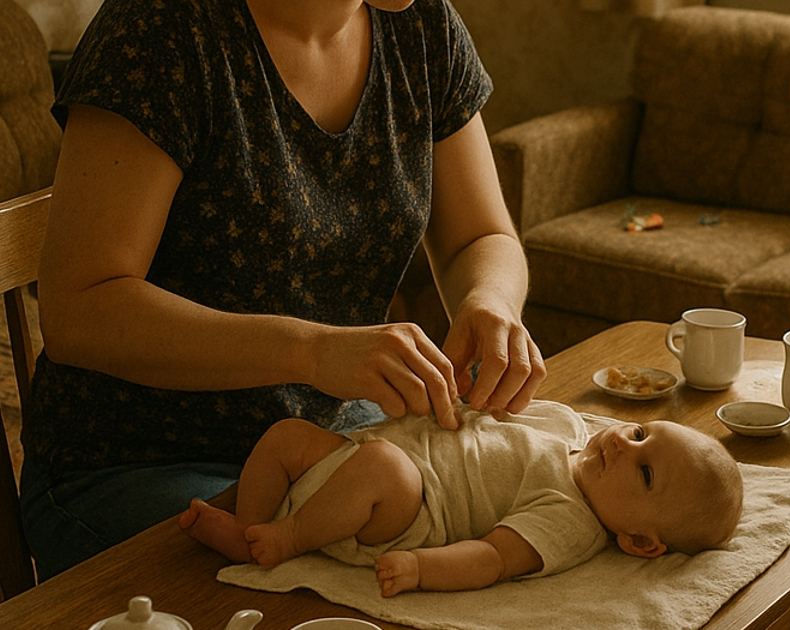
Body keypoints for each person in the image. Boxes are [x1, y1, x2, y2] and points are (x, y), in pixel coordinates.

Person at [20, 0, 546, 581]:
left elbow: (482, 234)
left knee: (496, 542)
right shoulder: (159, 28)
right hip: (140, 462)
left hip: (334, 436)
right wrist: (313, 351)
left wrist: (488, 300)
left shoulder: (421, 22)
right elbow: (78, 310)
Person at [178, 400, 745, 595]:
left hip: (408, 509)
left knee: (383, 467)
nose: (624, 444)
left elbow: (493, 558)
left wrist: (419, 568)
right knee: (288, 435)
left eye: (644, 473)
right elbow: (492, 415)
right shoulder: (566, 428)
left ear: (640, 541)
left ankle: (287, 538)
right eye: (641, 432)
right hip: (363, 451)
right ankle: (249, 528)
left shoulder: (572, 520)